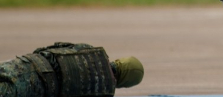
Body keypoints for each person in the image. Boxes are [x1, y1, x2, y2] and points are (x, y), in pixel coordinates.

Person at [0, 42, 143, 97]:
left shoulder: (92, 50)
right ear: (126, 83)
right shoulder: (103, 91)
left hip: (25, 63)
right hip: (32, 86)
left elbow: (53, 47)